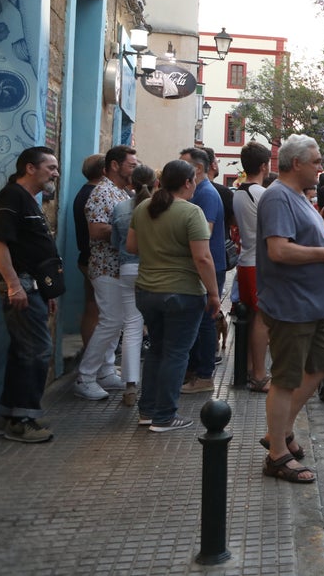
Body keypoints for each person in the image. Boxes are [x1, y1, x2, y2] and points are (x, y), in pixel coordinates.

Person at [257, 135, 324, 482]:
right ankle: (277, 456)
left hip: (312, 304)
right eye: (316, 161)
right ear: (296, 163)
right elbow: (279, 251)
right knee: (285, 378)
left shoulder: (297, 197)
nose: (320, 168)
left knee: (321, 365)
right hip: (291, 303)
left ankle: (278, 433)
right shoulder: (278, 197)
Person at [126, 159, 221, 433]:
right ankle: (164, 416)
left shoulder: (144, 207)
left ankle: (148, 410)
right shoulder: (191, 212)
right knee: (176, 353)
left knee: (156, 350)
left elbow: (131, 246)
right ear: (188, 182)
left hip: (147, 290)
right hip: (182, 292)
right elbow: (203, 258)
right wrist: (214, 294)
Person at [0, 148, 62, 442]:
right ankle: (20, 420)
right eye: (51, 167)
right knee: (35, 350)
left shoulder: (29, 200)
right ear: (30, 168)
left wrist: (45, 291)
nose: (55, 173)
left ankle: (13, 414)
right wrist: (13, 284)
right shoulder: (12, 197)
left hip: (33, 286)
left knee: (26, 350)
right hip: (21, 286)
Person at [75, 144, 138, 401]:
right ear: (115, 165)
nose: (134, 169)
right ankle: (85, 376)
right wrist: (126, 231)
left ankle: (106, 370)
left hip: (118, 267)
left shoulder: (120, 192)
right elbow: (95, 230)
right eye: (131, 165)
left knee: (117, 320)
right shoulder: (102, 192)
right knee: (111, 320)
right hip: (105, 267)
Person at [179, 146, 226, 394]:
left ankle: (205, 375)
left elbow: (204, 231)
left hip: (210, 264)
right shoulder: (199, 191)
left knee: (207, 322)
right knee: (200, 321)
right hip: (203, 263)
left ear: (197, 168)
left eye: (183, 163)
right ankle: (196, 371)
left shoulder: (206, 194)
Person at [109, 163, 156, 407]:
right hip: (153, 270)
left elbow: (117, 243)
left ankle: (130, 386)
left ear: (131, 183)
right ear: (155, 183)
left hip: (127, 269)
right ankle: (157, 385)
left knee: (132, 328)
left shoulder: (119, 208)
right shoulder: (158, 209)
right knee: (158, 327)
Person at [232, 141, 272, 392]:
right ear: (264, 166)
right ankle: (259, 375)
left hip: (245, 261)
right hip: (259, 263)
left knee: (253, 317)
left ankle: (248, 369)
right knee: (262, 319)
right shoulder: (261, 194)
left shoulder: (238, 193)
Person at [74, 153, 105, 348]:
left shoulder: (84, 192)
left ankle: (91, 354)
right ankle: (94, 358)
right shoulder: (95, 194)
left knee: (92, 306)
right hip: (95, 258)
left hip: (86, 257)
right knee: (96, 309)